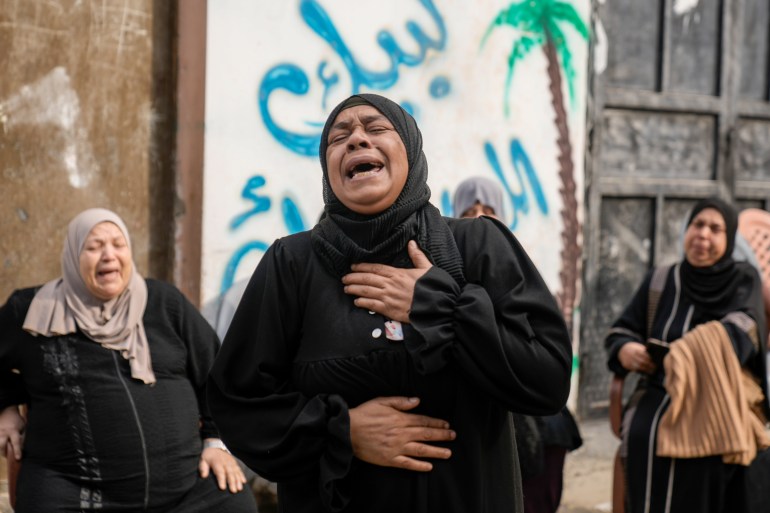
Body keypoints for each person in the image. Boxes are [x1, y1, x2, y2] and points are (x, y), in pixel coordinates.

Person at [206, 93, 573, 513]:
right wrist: (342, 431)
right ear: (328, 169)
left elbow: (547, 380)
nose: (357, 139)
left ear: (411, 152)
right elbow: (238, 403)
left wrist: (441, 306)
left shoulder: (476, 246)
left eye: (376, 128)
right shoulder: (291, 264)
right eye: (339, 136)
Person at [0, 208, 258, 513]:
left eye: (118, 245)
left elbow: (219, 373)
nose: (109, 255)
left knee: (235, 503)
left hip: (185, 490)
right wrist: (4, 407)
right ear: (72, 255)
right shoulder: (35, 309)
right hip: (74, 490)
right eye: (94, 247)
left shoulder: (163, 302)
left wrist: (215, 442)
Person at [605, 197, 770, 513]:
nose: (703, 235)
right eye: (697, 225)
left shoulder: (743, 279)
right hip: (657, 390)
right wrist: (626, 349)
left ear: (729, 237)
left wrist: (679, 355)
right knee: (643, 433)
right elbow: (622, 329)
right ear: (686, 229)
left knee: (708, 449)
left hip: (718, 393)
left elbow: (741, 334)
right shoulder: (663, 278)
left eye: (715, 228)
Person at [453, 176, 583, 513]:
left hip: (535, 416)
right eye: (470, 208)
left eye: (489, 208)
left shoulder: (518, 266)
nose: (480, 216)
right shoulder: (444, 267)